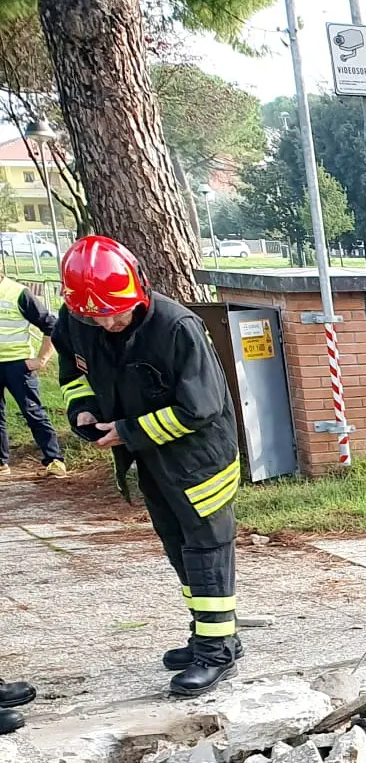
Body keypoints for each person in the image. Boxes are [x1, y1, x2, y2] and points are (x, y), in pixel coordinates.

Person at [54, 235, 243, 696]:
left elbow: (201, 407)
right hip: (150, 459)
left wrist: (127, 431)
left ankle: (216, 654)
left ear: (137, 291)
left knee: (206, 548)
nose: (108, 322)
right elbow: (74, 374)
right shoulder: (77, 321)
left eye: (115, 312)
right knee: (176, 545)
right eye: (95, 316)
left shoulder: (177, 328)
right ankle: (210, 635)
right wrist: (83, 412)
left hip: (198, 460)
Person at [0, 269, 66, 478]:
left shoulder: (18, 293)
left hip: (18, 366)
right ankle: (2, 464)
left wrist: (41, 359)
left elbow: (51, 325)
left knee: (33, 412)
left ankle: (54, 460)